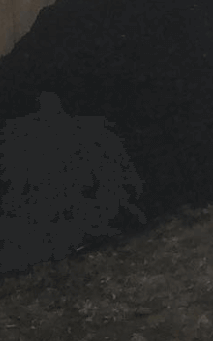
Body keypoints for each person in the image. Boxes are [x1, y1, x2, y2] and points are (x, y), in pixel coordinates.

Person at [0, 92, 145, 273]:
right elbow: (18, 188)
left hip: (82, 207)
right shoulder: (26, 141)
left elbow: (116, 172)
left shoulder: (87, 132)